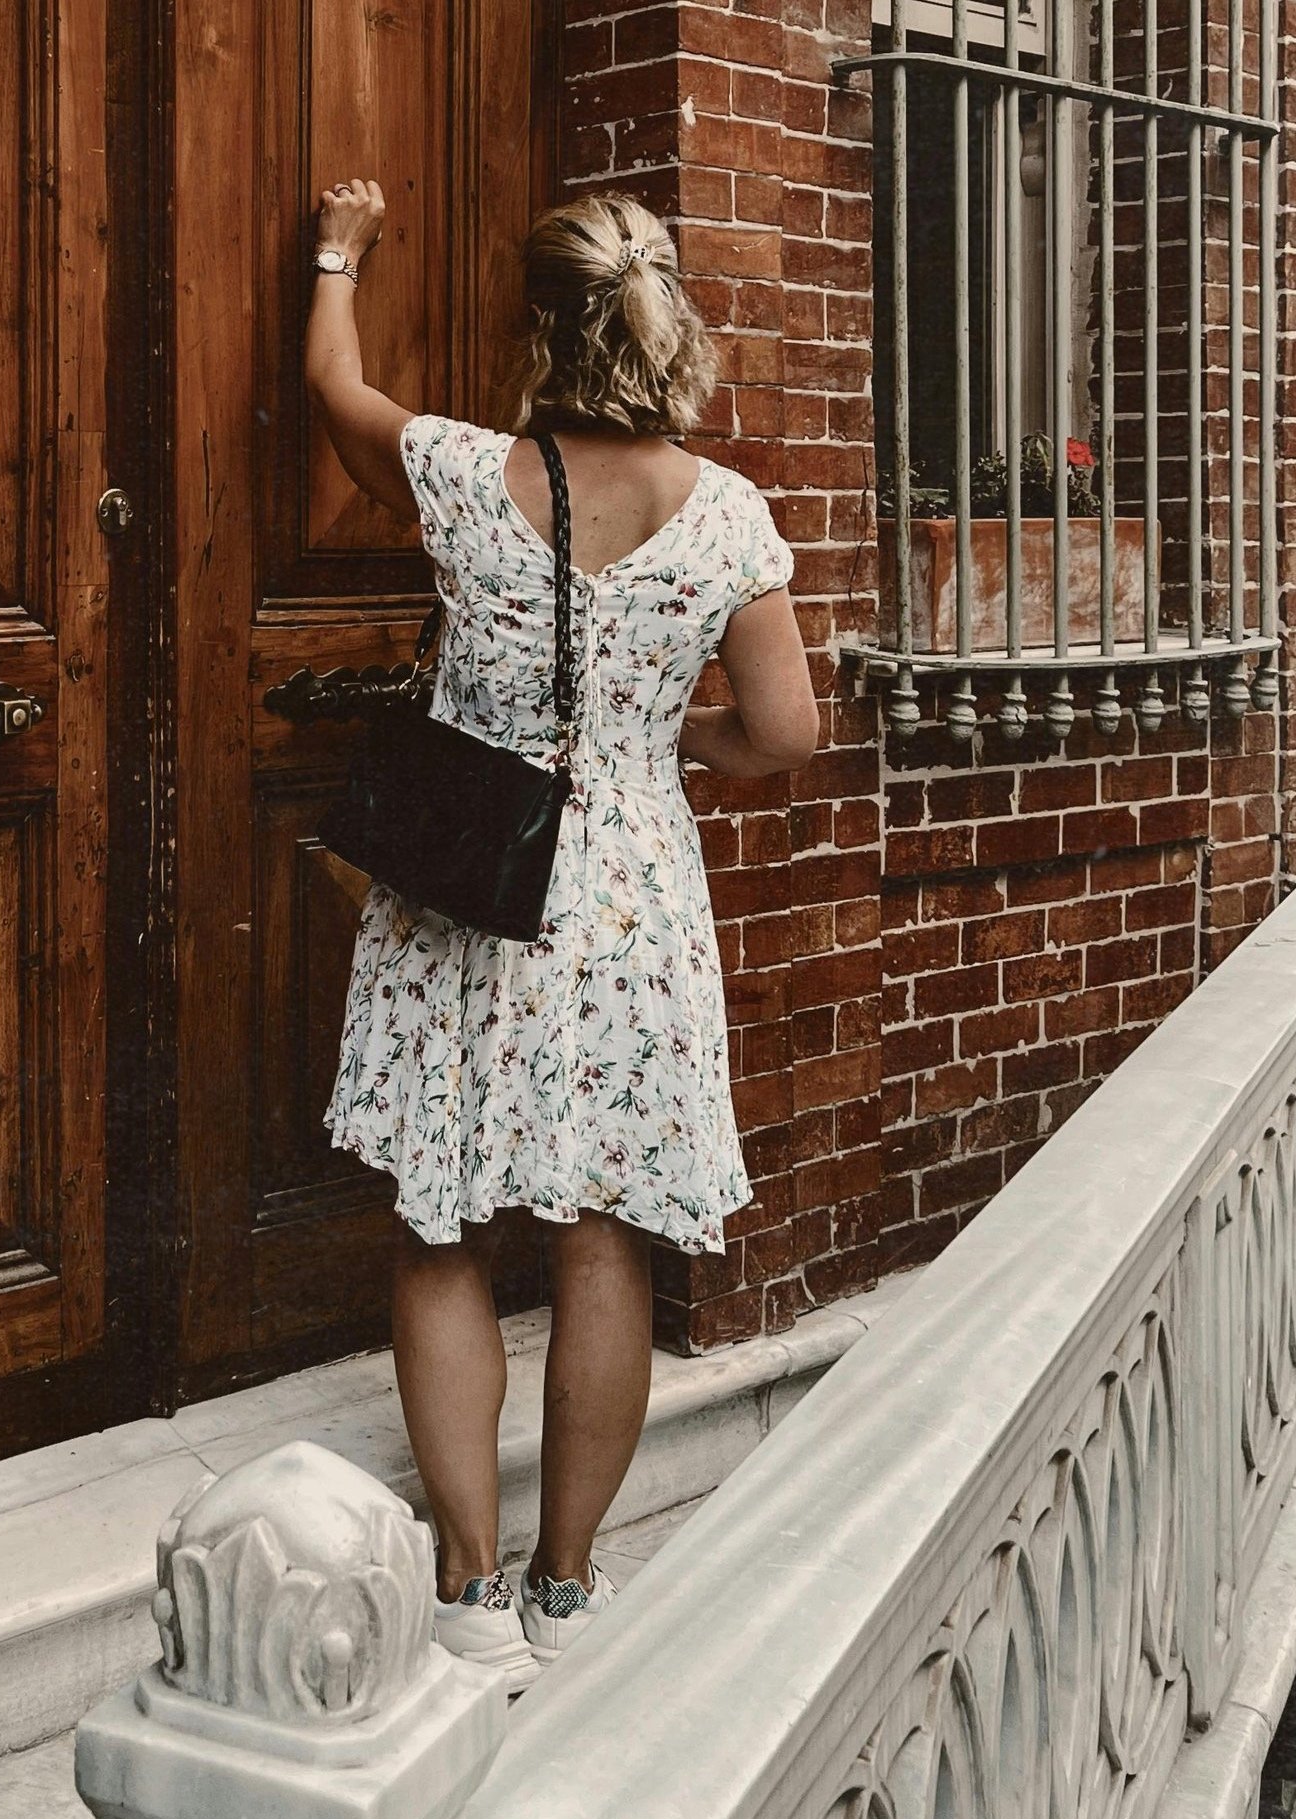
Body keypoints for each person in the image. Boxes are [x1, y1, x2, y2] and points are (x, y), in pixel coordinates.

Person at [303, 182, 820, 1667]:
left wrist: (339, 251)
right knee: (608, 1241)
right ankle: (570, 1585)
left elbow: (336, 390)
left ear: (541, 325)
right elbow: (785, 732)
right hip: (634, 900)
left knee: (442, 1221)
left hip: (471, 883)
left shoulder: (467, 475)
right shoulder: (728, 516)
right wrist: (670, 749)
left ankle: (467, 1593)